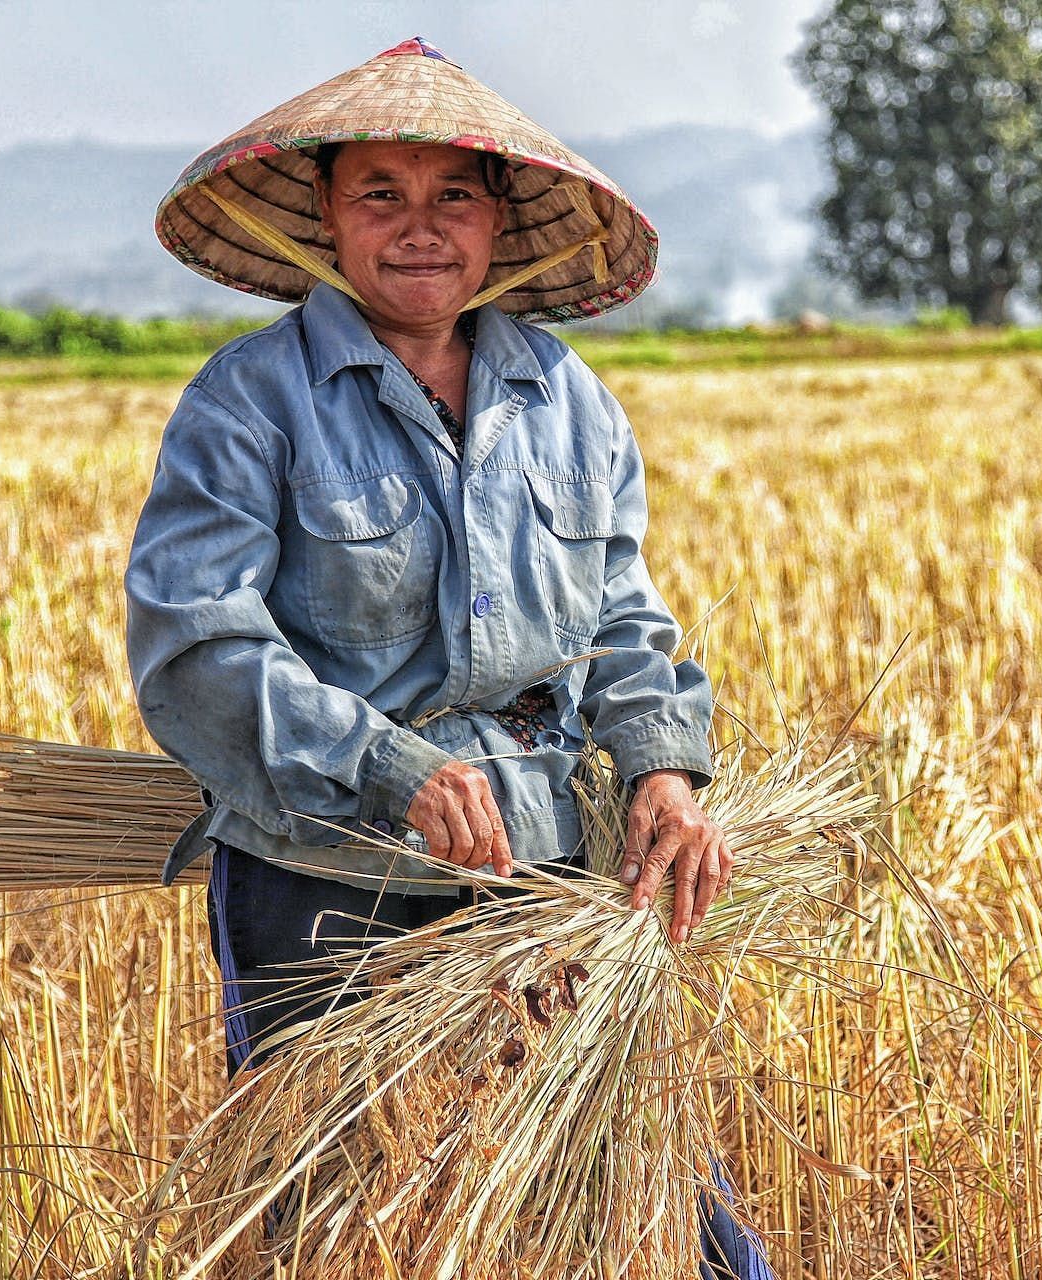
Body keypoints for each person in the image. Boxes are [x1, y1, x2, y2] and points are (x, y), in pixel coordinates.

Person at [125, 37, 769, 1278]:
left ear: (498, 219)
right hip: (326, 869)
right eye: (382, 193)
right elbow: (195, 642)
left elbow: (625, 616)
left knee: (652, 1193)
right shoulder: (250, 401)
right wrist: (390, 767)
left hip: (550, 857)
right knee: (317, 1215)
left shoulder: (565, 396)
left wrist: (663, 770)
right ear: (325, 213)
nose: (420, 228)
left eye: (452, 196)